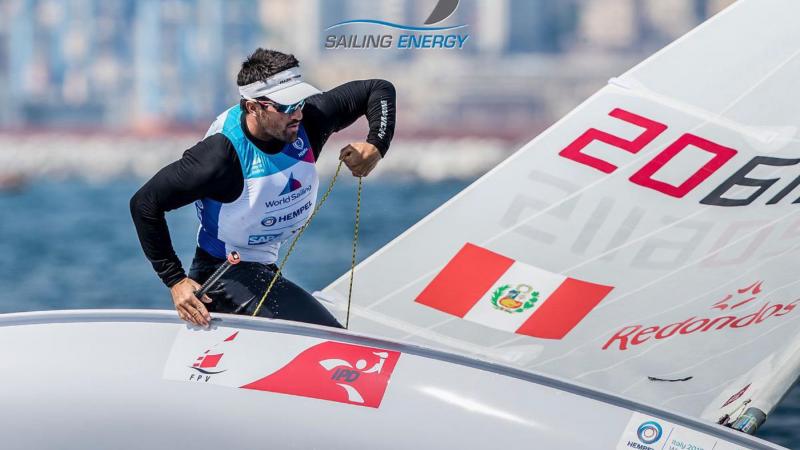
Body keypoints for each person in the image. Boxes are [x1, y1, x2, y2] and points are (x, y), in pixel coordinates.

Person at [130, 48, 396, 328]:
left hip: (262, 270)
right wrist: (175, 280)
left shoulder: (309, 120)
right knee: (327, 336)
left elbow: (378, 89)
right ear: (253, 108)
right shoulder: (219, 157)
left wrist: (377, 145)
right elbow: (144, 203)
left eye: (299, 102)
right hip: (221, 275)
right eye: (285, 107)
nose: (297, 114)